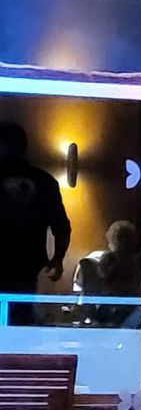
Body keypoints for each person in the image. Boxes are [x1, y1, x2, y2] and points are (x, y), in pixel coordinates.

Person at [0, 121, 71, 323]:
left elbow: (61, 226)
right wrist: (58, 258)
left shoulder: (44, 182)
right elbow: (61, 226)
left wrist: (58, 258)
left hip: (22, 261)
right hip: (28, 261)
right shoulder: (43, 181)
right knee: (20, 318)